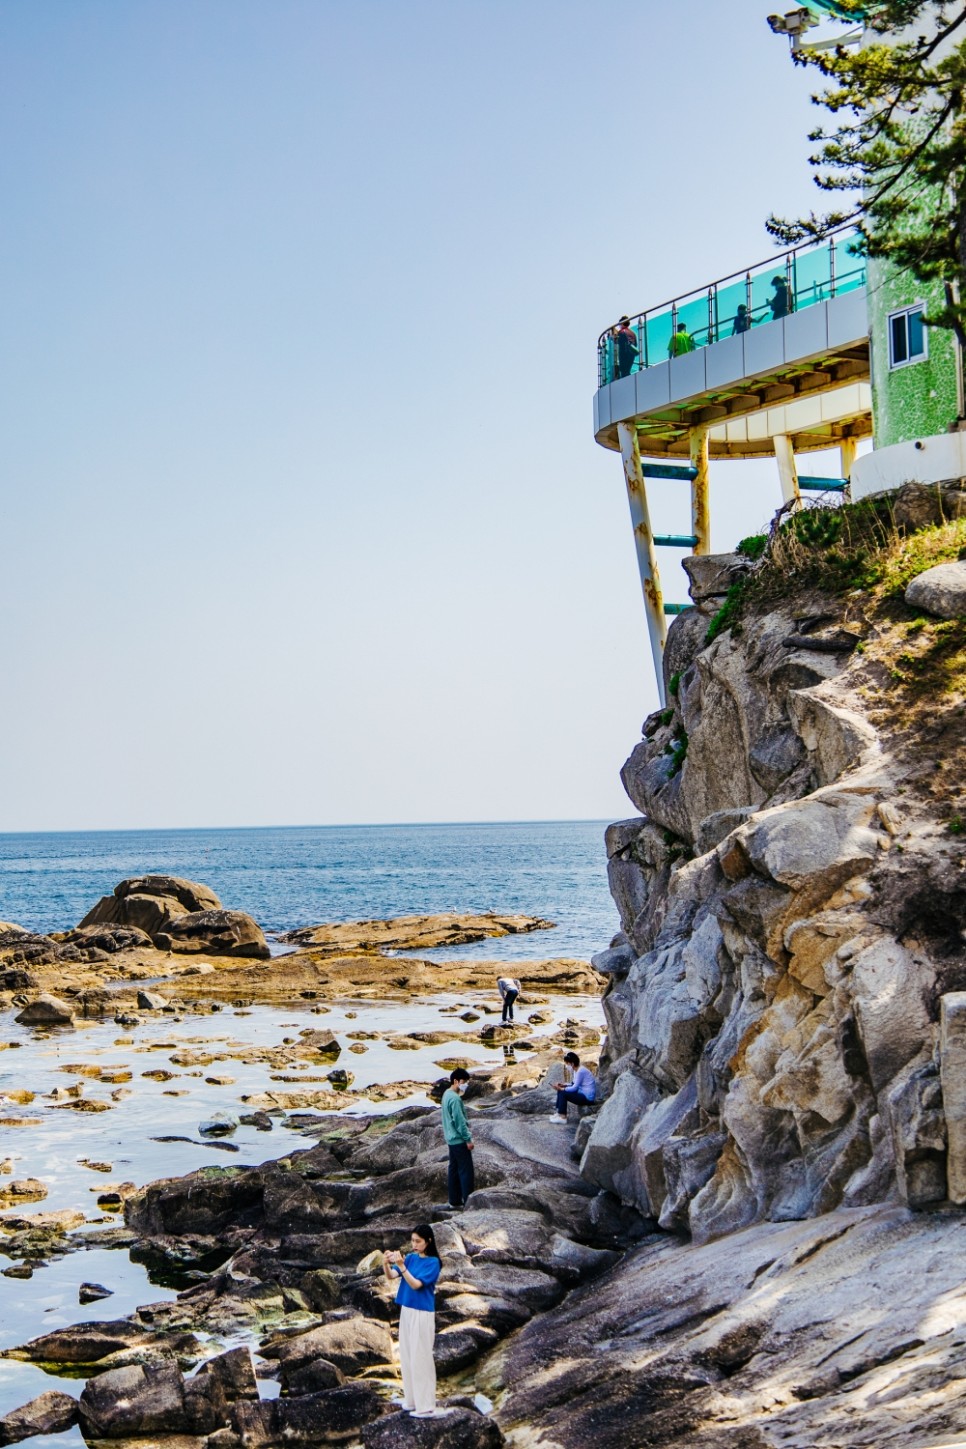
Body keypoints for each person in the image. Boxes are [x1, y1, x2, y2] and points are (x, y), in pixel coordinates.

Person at [383, 1224, 442, 1418]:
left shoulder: (434, 1262)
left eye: (418, 1241)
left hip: (422, 1313)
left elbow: (416, 1285)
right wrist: (386, 1263)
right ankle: (411, 1401)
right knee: (407, 1356)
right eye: (412, 1240)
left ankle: (425, 1406)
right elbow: (392, 1276)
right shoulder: (410, 1258)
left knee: (421, 1358)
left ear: (428, 1241)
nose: (414, 1244)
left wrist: (401, 1266)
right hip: (407, 1310)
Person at [440, 1068, 474, 1209]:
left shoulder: (446, 1094)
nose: (465, 1085)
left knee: (453, 1169)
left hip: (450, 1139)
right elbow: (459, 1121)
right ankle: (468, 1202)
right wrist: (468, 1139)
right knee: (466, 1171)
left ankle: (454, 1200)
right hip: (459, 1140)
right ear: (456, 1081)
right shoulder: (454, 1098)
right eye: (463, 1082)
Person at [549, 1051, 597, 1123]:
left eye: (567, 1064)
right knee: (561, 1090)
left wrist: (562, 1089)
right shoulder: (576, 1070)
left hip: (587, 1097)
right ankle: (559, 1112)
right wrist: (563, 1085)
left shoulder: (581, 1071)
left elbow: (574, 1088)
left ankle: (562, 1117)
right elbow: (573, 1084)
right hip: (581, 1092)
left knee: (563, 1092)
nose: (566, 1066)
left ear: (572, 1063)